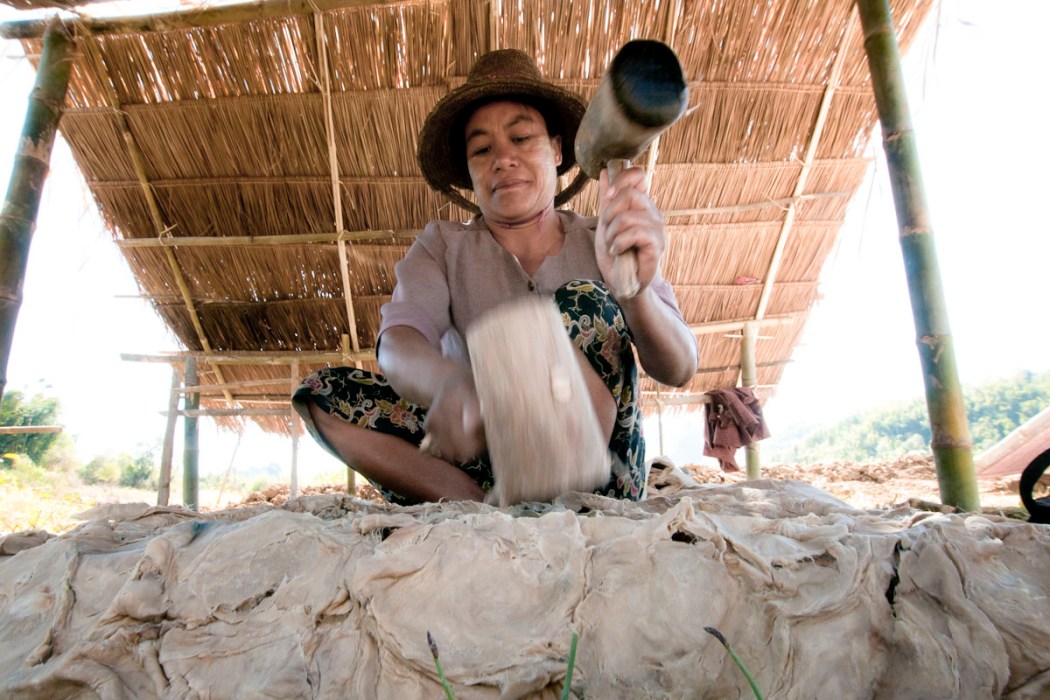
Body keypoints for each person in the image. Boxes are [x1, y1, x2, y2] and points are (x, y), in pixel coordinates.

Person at [293, 49, 698, 505]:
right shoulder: (442, 246)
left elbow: (679, 368)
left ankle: (556, 496)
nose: (503, 158)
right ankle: (481, 510)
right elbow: (398, 344)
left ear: (557, 150)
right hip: (485, 466)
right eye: (482, 149)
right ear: (469, 173)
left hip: (601, 474)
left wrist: (635, 293)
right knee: (325, 395)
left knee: (583, 301)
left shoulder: (605, 238)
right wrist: (450, 383)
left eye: (521, 138)